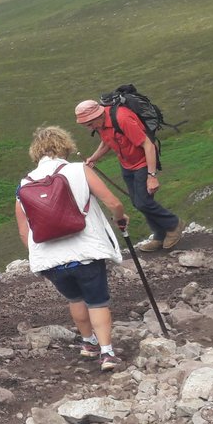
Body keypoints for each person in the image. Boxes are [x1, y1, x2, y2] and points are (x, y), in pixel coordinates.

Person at [14, 126, 130, 371]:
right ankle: (107, 353)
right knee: (97, 301)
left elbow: (24, 231)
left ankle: (88, 344)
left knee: (75, 299)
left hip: (52, 261)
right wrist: (121, 218)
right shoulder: (79, 170)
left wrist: (41, 256)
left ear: (36, 153)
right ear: (65, 145)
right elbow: (113, 203)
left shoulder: (24, 184)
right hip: (86, 252)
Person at [75, 98, 183, 252]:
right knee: (137, 201)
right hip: (126, 164)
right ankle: (159, 235)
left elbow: (148, 145)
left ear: (97, 116)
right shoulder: (101, 123)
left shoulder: (122, 118)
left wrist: (152, 176)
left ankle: (174, 224)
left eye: (89, 124)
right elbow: (107, 141)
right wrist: (94, 158)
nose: (89, 128)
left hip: (142, 163)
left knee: (143, 202)